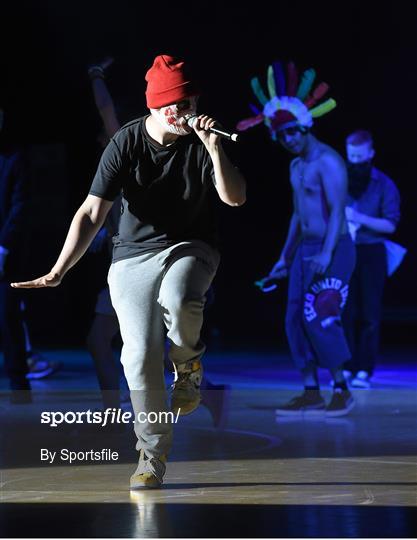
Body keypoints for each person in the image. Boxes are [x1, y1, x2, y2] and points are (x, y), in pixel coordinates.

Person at [12, 55, 246, 487]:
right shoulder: (125, 142)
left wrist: (215, 150)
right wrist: (60, 268)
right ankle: (151, 456)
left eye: (192, 101)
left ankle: (189, 366)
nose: (188, 112)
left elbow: (234, 199)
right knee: (137, 358)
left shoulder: (201, 141)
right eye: (179, 104)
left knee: (179, 295)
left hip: (192, 247)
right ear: (157, 106)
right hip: (132, 254)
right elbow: (90, 212)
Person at [237, 61, 355, 416]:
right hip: (306, 250)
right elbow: (297, 217)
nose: (288, 140)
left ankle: (342, 388)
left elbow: (336, 212)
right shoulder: (296, 166)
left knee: (320, 316)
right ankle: (310, 390)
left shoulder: (327, 162)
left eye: (292, 132)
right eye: (281, 135)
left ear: (304, 127)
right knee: (294, 320)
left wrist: (327, 254)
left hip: (333, 249)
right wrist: (284, 259)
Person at [342, 130, 401, 388]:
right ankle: (345, 366)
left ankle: (364, 370)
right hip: (345, 250)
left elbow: (390, 224)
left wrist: (359, 218)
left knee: (369, 313)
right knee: (344, 310)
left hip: (371, 251)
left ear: (370, 153)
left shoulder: (383, 184)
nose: (355, 160)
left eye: (359, 155)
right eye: (351, 155)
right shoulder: (339, 179)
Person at [0, 107, 32, 403]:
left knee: (7, 317)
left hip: (6, 253)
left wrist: (4, 246)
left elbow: (20, 205)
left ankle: (19, 386)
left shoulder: (14, 157)